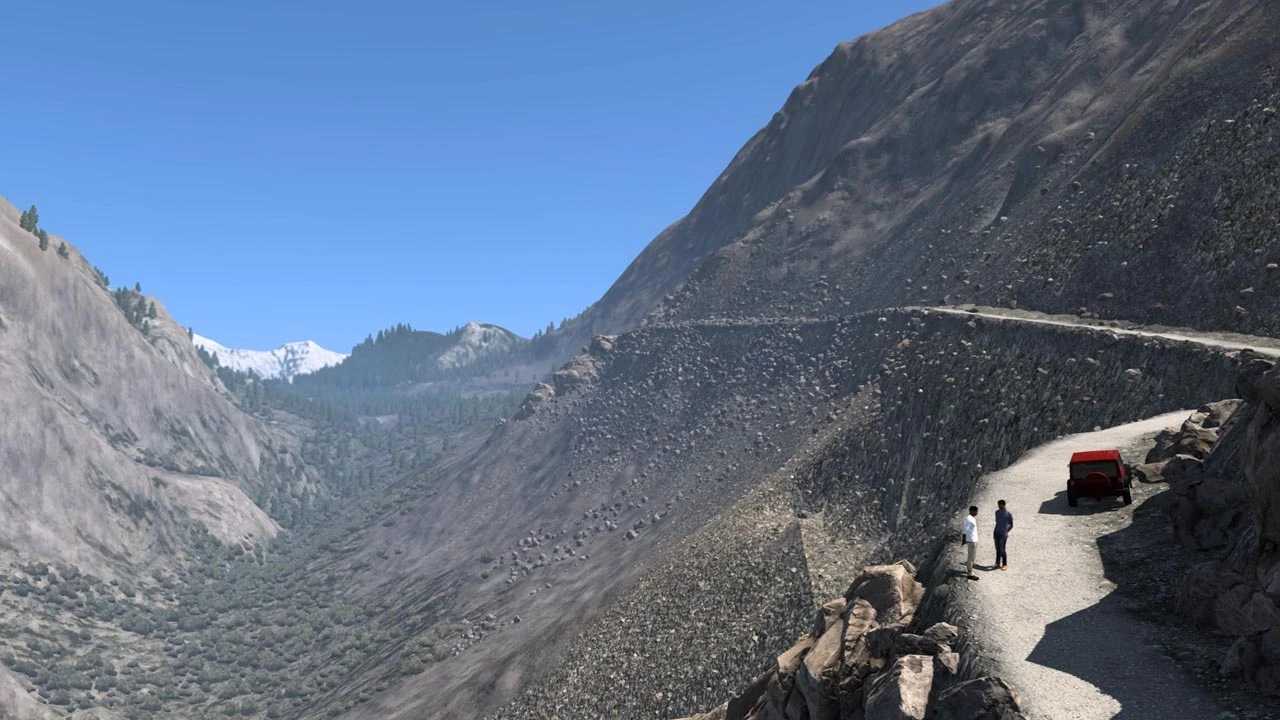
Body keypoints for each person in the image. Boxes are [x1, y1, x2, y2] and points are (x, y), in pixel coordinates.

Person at [994, 499, 1013, 570]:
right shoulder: (996, 512)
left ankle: (1005, 564)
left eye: (1000, 505)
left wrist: (1006, 531)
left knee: (1002, 549)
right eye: (998, 505)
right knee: (997, 548)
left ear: (1004, 505)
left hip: (1003, 534)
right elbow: (997, 522)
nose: (999, 506)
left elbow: (1011, 525)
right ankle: (997, 563)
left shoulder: (1008, 514)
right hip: (996, 533)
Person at [962, 505, 979, 580]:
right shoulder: (969, 519)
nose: (977, 513)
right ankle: (970, 573)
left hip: (973, 540)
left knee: (972, 557)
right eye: (976, 511)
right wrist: (964, 539)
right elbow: (965, 530)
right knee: (971, 557)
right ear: (972, 511)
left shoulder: (972, 518)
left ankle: (970, 569)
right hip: (971, 540)